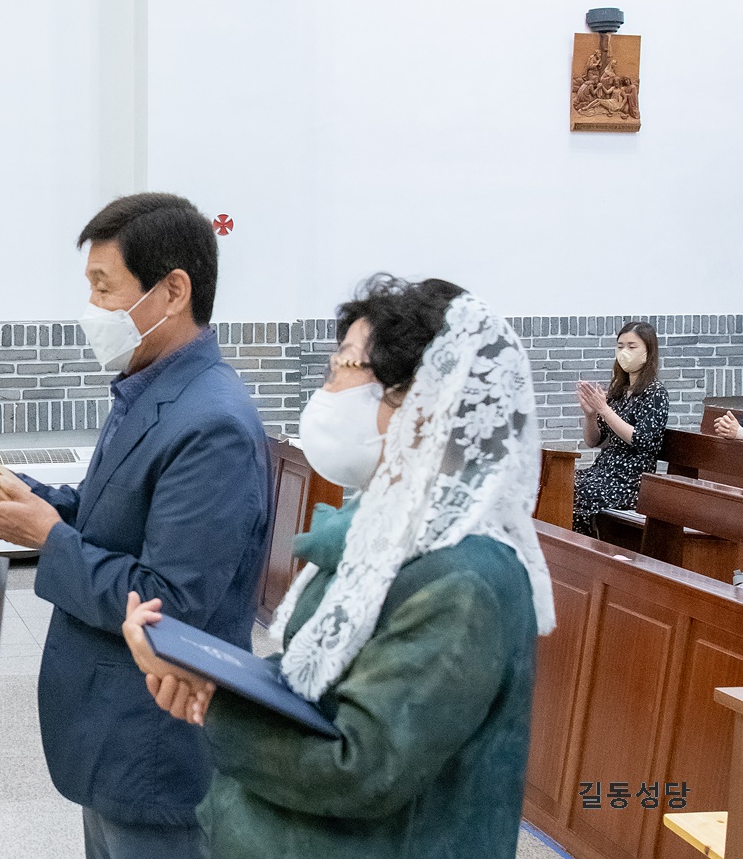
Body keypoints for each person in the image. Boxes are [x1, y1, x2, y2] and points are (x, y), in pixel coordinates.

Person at [121, 275, 557, 858]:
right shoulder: (384, 530)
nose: (325, 391)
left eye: (341, 368)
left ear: (419, 403)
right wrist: (208, 675)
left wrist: (220, 708)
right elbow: (318, 685)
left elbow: (363, 767)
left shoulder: (463, 580)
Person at [0, 193, 272, 859]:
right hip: (111, 732)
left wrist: (47, 538)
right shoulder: (151, 384)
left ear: (172, 292)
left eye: (105, 288)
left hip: (156, 744)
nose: (92, 308)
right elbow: (108, 512)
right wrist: (24, 495)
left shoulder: (212, 424)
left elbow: (171, 604)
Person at [573, 321, 669, 536]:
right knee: (558, 483)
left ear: (648, 351)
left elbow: (642, 440)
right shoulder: (619, 390)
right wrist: (590, 415)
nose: (624, 352)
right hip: (603, 471)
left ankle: (586, 549)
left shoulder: (655, 392)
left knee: (581, 492)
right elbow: (594, 441)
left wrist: (605, 410)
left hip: (630, 479)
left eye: (632, 347)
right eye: (620, 346)